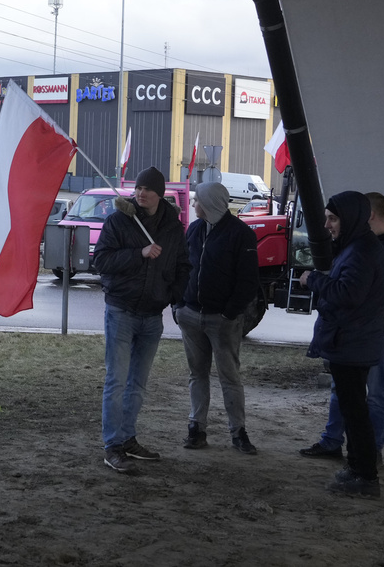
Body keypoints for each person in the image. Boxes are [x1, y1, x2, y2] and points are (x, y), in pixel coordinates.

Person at [299, 192, 384, 465]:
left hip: (375, 333)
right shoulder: (357, 245)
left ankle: (369, 453)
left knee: (373, 394)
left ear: (369, 215)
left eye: (333, 218)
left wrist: (381, 328)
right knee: (344, 391)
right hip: (356, 333)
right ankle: (333, 442)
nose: (329, 225)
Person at [93, 166, 191, 473]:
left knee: (138, 383)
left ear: (160, 194)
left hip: (153, 315)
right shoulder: (119, 221)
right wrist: (140, 252)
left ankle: (128, 438)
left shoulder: (173, 228)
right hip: (121, 311)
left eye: (147, 189)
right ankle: (112, 446)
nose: (141, 193)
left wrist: (174, 297)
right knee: (116, 380)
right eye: (138, 188)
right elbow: (101, 261)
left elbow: (183, 266)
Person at [176, 182, 260, 454]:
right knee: (196, 375)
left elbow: (248, 281)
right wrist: (178, 304)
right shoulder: (195, 229)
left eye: (197, 200)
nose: (193, 204)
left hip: (223, 321)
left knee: (229, 377)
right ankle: (196, 428)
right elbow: (182, 267)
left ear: (210, 203)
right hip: (190, 315)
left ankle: (238, 432)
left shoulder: (241, 234)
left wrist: (229, 313)